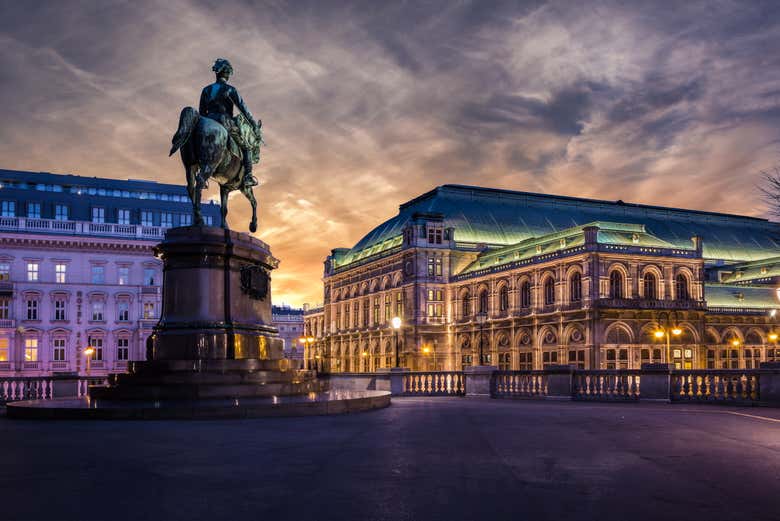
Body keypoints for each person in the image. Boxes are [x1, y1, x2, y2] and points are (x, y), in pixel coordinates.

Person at [199, 58, 261, 189]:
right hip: (225, 121)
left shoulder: (206, 90)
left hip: (208, 120)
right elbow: (244, 110)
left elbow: (201, 113)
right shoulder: (230, 90)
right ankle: (248, 176)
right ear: (226, 73)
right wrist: (254, 125)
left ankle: (201, 172)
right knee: (246, 146)